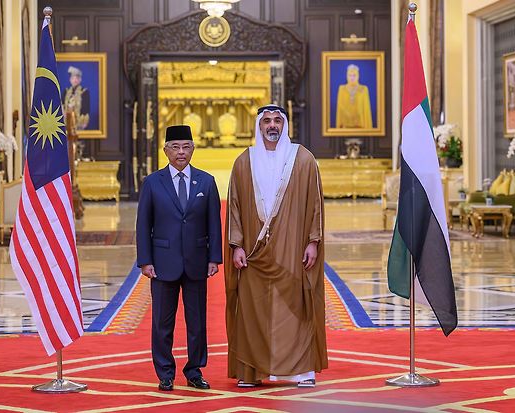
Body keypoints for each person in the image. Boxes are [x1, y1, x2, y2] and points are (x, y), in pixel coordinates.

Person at [224, 104, 327, 388]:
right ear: (258, 126)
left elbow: (315, 204)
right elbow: (233, 207)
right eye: (267, 120)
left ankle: (301, 370)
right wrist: (237, 246)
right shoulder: (244, 162)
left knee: (296, 307)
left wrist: (313, 242)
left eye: (277, 121)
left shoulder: (303, 159)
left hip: (293, 250)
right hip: (253, 256)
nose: (272, 126)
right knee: (251, 310)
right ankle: (251, 371)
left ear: (285, 125)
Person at [136, 125, 222, 392]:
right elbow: (143, 225)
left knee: (197, 322)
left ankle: (194, 370)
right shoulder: (152, 182)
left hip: (196, 261)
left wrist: (214, 258)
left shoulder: (206, 182)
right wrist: (145, 260)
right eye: (175, 147)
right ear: (166, 151)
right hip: (162, 263)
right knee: (163, 322)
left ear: (193, 149)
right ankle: (165, 372)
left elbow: (213, 224)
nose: (181, 152)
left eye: (186, 147)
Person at [335, 64, 373, 129]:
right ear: (347, 76)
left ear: (358, 76)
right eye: (350, 75)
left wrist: (368, 129)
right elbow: (339, 110)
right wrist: (338, 128)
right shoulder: (342, 89)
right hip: (345, 127)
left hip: (361, 127)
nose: (352, 78)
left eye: (354, 75)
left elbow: (366, 110)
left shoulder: (363, 89)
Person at [62, 66, 91, 130]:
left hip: (79, 122)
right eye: (73, 78)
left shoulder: (84, 92)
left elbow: (86, 108)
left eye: (77, 78)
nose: (75, 80)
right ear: (70, 79)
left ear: (80, 79)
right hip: (67, 121)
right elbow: (62, 105)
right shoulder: (66, 91)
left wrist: (84, 122)